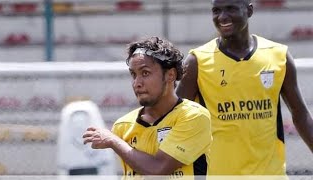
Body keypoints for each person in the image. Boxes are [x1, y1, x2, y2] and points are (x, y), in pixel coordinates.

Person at [176, 0, 313, 175]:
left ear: (249, 10)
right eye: (216, 10)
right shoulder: (197, 61)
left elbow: (300, 115)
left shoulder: (278, 55)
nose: (222, 17)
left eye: (230, 9)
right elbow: (176, 118)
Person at [83, 36, 212, 178]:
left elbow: (158, 169)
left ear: (170, 75)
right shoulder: (123, 126)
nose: (137, 83)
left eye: (145, 73)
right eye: (133, 74)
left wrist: (114, 141)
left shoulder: (194, 116)